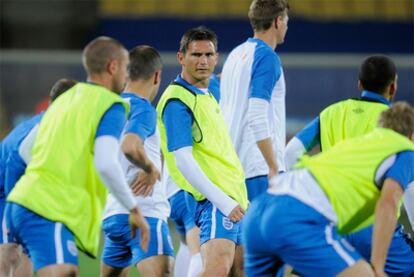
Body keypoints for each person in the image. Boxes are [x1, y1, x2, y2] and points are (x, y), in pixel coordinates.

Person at [6, 36, 149, 277]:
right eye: (125, 68)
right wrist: (134, 209)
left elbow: (25, 151)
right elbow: (105, 163)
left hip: (24, 203)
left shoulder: (64, 101)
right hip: (48, 209)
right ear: (113, 67)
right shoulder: (110, 104)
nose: (127, 76)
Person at [243, 101, 414, 277]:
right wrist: (378, 267)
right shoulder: (405, 150)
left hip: (260, 209)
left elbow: (292, 152)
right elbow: (388, 204)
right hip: (297, 217)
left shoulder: (353, 146)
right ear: (412, 136)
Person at [284, 55, 414, 276]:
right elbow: (409, 186)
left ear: (359, 85)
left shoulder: (331, 113)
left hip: (333, 224)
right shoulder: (398, 125)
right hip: (376, 229)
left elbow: (291, 153)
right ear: (393, 87)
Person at [156, 26, 248, 277]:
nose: (203, 61)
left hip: (233, 196)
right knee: (217, 270)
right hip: (215, 200)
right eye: (196, 55)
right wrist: (224, 202)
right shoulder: (178, 101)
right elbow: (183, 160)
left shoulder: (206, 96)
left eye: (209, 55)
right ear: (181, 57)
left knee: (238, 272)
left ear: (217, 58)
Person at [100, 45, 174, 277]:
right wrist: (150, 168)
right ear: (157, 76)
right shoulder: (143, 108)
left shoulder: (110, 108)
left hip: (113, 215)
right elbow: (130, 145)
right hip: (145, 213)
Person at [0, 78, 77, 277]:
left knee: (24, 254)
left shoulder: (49, 125)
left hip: (18, 192)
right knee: (9, 253)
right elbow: (14, 166)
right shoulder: (44, 130)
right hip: (6, 193)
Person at [220, 0, 289, 201]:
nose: (286, 27)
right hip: (258, 168)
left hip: (232, 167)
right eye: (286, 21)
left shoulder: (235, 55)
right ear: (277, 21)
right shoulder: (267, 57)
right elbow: (257, 115)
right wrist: (273, 165)